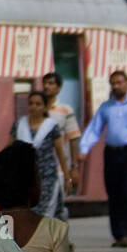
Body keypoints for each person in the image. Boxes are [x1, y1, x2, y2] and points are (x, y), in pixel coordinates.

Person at [78, 70, 127, 248]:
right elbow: (94, 128)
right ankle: (119, 234)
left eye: (119, 82)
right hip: (112, 153)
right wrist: (84, 148)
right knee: (113, 193)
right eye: (113, 83)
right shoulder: (106, 107)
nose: (116, 86)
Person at [11, 91, 68, 217]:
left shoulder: (51, 126)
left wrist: (66, 175)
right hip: (25, 177)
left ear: (45, 107)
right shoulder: (19, 124)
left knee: (43, 211)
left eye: (38, 104)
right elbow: (10, 149)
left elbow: (60, 153)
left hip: (47, 177)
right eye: (31, 103)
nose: (34, 107)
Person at [41, 72, 82, 218]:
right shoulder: (37, 110)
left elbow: (73, 139)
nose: (46, 86)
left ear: (59, 88)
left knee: (57, 202)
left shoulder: (65, 110)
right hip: (40, 165)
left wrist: (74, 168)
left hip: (59, 165)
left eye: (51, 83)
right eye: (45, 83)